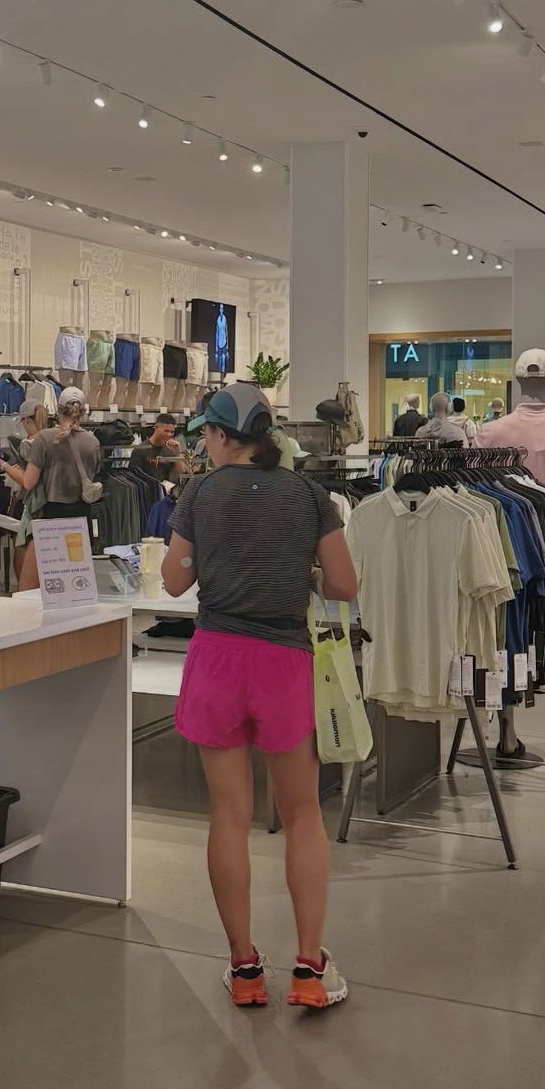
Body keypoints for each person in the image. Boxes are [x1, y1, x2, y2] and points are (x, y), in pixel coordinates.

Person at [161, 383, 358, 1011]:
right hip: (283, 660)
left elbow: (172, 582)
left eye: (206, 434)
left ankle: (245, 969)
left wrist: (213, 562)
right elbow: (345, 585)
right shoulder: (308, 494)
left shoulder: (199, 493)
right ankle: (309, 969)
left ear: (221, 435)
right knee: (301, 814)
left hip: (218, 656)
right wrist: (301, 570)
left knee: (229, 815)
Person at [14, 388, 101, 592]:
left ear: (58, 410)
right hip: (81, 519)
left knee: (29, 587)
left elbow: (28, 483)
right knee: (75, 587)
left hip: (50, 519)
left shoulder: (44, 439)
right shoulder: (93, 442)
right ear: (83, 411)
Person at [0, 401, 51, 581]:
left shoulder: (29, 444)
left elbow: (27, 481)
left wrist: (1, 464)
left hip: (32, 506)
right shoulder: (52, 440)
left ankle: (24, 593)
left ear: (25, 420)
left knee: (23, 557)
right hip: (50, 506)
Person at [130, 414, 191, 480]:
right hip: (147, 485)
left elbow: (181, 472)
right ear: (156, 427)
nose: (169, 435)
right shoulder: (140, 450)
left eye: (172, 432)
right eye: (166, 431)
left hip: (167, 485)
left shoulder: (171, 449)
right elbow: (133, 478)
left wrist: (177, 454)